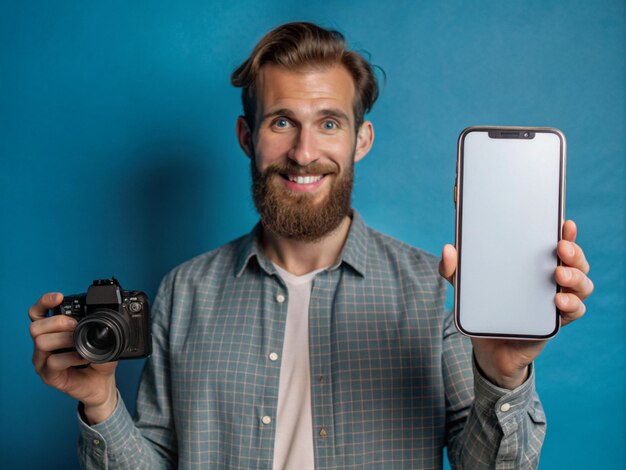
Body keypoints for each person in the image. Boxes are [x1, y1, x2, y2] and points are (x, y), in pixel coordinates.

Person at [29, 22, 593, 469]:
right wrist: (101, 404)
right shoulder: (184, 291)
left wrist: (502, 373)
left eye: (328, 123)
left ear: (360, 140)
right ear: (247, 136)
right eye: (281, 122)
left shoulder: (431, 291)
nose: (303, 153)